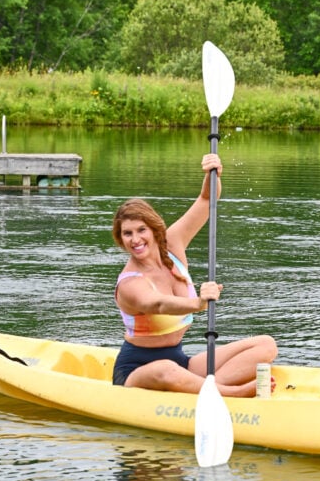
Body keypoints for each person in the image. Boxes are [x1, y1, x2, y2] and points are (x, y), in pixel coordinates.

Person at [111, 152, 277, 396]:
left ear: (153, 228)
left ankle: (210, 389)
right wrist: (197, 303)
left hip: (181, 362)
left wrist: (213, 174)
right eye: (127, 234)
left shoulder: (173, 242)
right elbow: (157, 304)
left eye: (141, 230)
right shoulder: (129, 283)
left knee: (266, 345)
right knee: (166, 369)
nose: (135, 240)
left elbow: (206, 200)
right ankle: (232, 393)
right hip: (137, 371)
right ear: (120, 238)